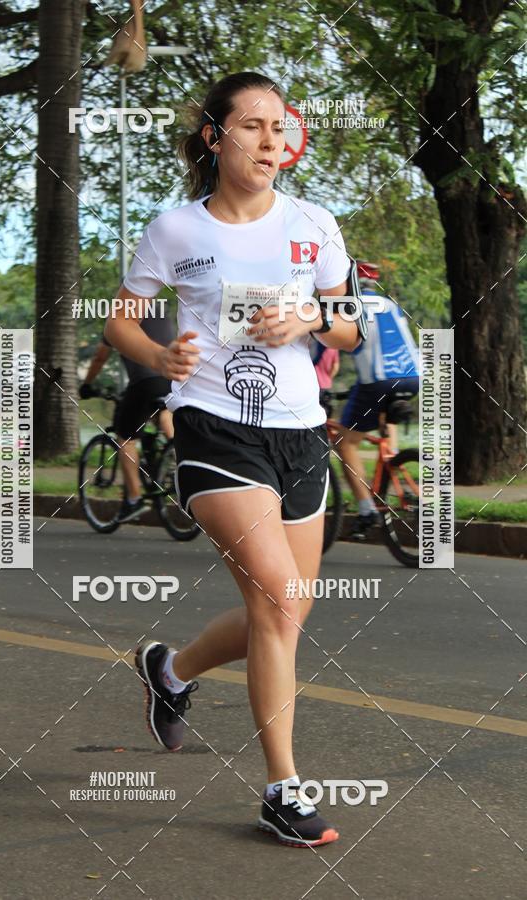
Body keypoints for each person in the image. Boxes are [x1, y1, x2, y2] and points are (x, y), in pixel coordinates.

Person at [104, 71, 364, 847]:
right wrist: (160, 353)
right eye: (252, 126)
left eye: (280, 127)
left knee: (284, 612)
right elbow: (121, 321)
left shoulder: (314, 223)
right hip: (215, 428)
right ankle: (283, 791)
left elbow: (349, 327)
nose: (270, 140)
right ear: (217, 137)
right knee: (279, 607)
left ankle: (170, 671)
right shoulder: (176, 231)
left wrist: (313, 317)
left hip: (300, 434)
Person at [336, 261, 420, 538]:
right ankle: (393, 466)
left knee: (344, 442)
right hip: (413, 375)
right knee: (388, 418)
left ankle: (365, 510)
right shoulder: (389, 303)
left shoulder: (346, 306)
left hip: (378, 379)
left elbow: (324, 350)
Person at [79, 299, 175, 522]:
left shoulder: (120, 314)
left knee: (125, 437)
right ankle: (176, 459)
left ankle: (133, 499)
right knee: (163, 416)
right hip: (173, 377)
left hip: (145, 381)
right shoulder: (162, 309)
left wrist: (87, 384)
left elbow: (100, 356)